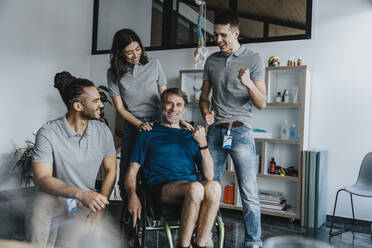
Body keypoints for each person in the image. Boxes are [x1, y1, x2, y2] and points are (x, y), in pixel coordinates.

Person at [199, 11, 267, 248]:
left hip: (240, 131)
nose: (217, 39)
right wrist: (205, 111)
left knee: (248, 192)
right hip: (215, 132)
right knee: (209, 187)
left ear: (236, 33)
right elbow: (203, 97)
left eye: (223, 34)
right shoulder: (211, 61)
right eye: (215, 34)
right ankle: (205, 236)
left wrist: (248, 83)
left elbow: (262, 103)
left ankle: (253, 242)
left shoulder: (254, 59)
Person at [28, 72, 117, 248]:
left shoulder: (103, 131)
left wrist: (99, 210)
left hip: (86, 201)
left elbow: (111, 170)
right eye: (95, 101)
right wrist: (80, 193)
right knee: (39, 209)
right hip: (57, 197)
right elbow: (42, 178)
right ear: (77, 105)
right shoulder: (48, 132)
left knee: (70, 241)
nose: (101, 104)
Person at [125, 88, 221, 248]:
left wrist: (203, 144)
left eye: (178, 105)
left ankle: (200, 244)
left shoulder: (191, 135)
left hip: (192, 188)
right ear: (162, 105)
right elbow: (131, 172)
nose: (173, 108)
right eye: (169, 103)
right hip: (162, 188)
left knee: (215, 187)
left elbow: (209, 175)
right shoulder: (147, 132)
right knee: (196, 188)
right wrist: (132, 195)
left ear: (184, 109)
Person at [107, 29, 192, 197]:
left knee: (158, 166)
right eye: (129, 52)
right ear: (119, 53)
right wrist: (139, 124)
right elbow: (120, 108)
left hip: (159, 119)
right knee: (127, 168)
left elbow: (166, 98)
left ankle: (153, 205)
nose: (135, 55)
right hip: (133, 123)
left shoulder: (154, 64)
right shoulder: (114, 73)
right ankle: (129, 205)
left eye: (138, 49)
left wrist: (177, 120)